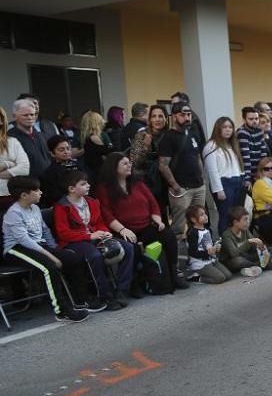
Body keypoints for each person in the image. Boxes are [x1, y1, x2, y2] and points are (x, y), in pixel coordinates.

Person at [3, 176, 95, 322]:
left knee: (73, 258)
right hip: (17, 249)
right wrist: (51, 256)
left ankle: (80, 300)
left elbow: (45, 231)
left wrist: (56, 250)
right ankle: (62, 311)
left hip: (39, 246)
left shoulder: (35, 208)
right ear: (24, 195)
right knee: (49, 267)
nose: (40, 192)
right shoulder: (13, 213)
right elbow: (24, 240)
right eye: (36, 190)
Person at [95, 152, 186, 292]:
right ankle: (135, 281)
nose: (129, 166)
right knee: (132, 247)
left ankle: (173, 275)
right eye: (124, 163)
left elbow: (153, 203)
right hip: (123, 229)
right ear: (114, 167)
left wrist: (157, 220)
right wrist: (122, 230)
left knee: (169, 237)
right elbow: (106, 214)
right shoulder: (104, 188)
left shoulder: (137, 183)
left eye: (129, 163)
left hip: (145, 225)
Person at [53, 169, 136, 310]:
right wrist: (89, 236)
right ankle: (105, 295)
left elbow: (98, 222)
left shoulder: (91, 202)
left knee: (128, 247)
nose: (88, 186)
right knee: (95, 256)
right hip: (74, 242)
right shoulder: (61, 207)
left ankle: (122, 289)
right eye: (83, 184)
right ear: (72, 189)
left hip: (94, 237)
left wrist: (105, 232)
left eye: (87, 183)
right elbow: (63, 233)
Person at [158, 102, 206, 240]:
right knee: (179, 228)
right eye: (182, 114)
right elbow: (163, 165)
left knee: (198, 223)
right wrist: (175, 186)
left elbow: (197, 158)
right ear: (174, 116)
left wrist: (202, 180)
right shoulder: (168, 137)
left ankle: (198, 256)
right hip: (181, 190)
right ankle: (178, 258)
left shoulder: (192, 134)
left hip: (198, 186)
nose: (186, 117)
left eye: (189, 114)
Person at [203, 117, 245, 235]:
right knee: (226, 215)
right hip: (224, 184)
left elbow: (238, 164)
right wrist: (218, 189)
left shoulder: (233, 144)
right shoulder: (211, 146)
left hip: (238, 182)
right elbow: (212, 170)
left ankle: (237, 242)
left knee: (237, 216)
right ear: (218, 128)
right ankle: (225, 244)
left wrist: (243, 179)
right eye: (224, 127)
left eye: (230, 127)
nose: (228, 130)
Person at [129, 104, 169, 214]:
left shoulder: (169, 135)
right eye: (154, 116)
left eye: (161, 116)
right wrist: (146, 148)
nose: (157, 119)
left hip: (168, 183)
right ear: (149, 119)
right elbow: (134, 162)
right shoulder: (142, 135)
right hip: (149, 183)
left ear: (166, 118)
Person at [220, 205, 272, 277]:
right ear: (236, 222)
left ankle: (255, 268)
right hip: (233, 261)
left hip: (247, 257)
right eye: (245, 219)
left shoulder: (245, 230)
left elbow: (254, 246)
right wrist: (248, 242)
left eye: (248, 219)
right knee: (238, 261)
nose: (248, 222)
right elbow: (234, 254)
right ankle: (262, 265)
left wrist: (261, 247)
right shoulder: (226, 235)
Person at [184, 205, 230, 284]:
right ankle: (196, 278)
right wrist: (207, 253)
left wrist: (216, 247)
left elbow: (209, 245)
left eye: (205, 213)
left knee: (228, 275)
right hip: (199, 263)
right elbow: (192, 252)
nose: (205, 216)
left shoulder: (208, 230)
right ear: (193, 219)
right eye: (202, 215)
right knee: (220, 278)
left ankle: (207, 272)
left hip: (211, 259)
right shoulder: (193, 233)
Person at [9, 99, 52, 179]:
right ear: (14, 116)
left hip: (48, 183)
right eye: (25, 115)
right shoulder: (10, 139)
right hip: (26, 186)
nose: (30, 117)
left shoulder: (42, 136)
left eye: (32, 114)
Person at [0, 107, 31, 208]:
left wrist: (5, 165)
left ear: (1, 121)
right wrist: (11, 164)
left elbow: (25, 168)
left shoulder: (12, 142)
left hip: (10, 196)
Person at [40, 135, 79, 208]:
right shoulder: (48, 173)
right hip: (63, 206)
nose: (66, 152)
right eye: (61, 150)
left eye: (68, 148)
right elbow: (53, 196)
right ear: (52, 153)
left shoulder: (77, 165)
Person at [237, 106, 267, 187]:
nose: (255, 121)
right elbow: (245, 157)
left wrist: (263, 173)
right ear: (244, 120)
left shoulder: (260, 131)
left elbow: (263, 154)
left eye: (256, 118)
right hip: (247, 175)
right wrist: (247, 178)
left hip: (259, 174)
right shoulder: (242, 132)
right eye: (251, 119)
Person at [80, 110, 114, 181]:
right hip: (96, 173)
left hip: (91, 171)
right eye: (100, 120)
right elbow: (105, 154)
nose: (103, 122)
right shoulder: (94, 137)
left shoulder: (87, 137)